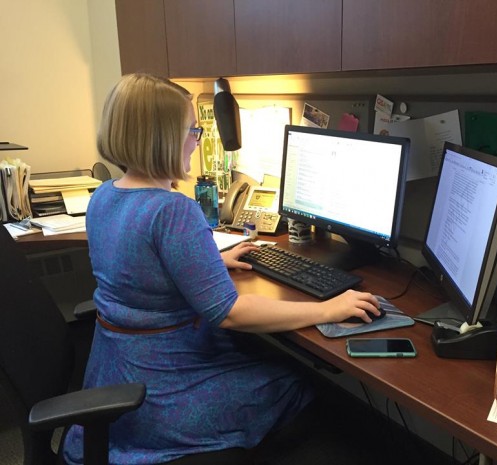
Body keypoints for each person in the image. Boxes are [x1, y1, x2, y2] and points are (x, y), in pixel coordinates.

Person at [62, 73, 384, 465]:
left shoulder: (104, 197)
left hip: (116, 374)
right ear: (162, 137)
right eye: (192, 130)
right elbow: (228, 312)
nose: (196, 139)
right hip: (162, 394)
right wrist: (327, 309)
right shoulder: (172, 210)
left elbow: (139, 269)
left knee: (262, 359)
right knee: (292, 383)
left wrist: (209, 262)